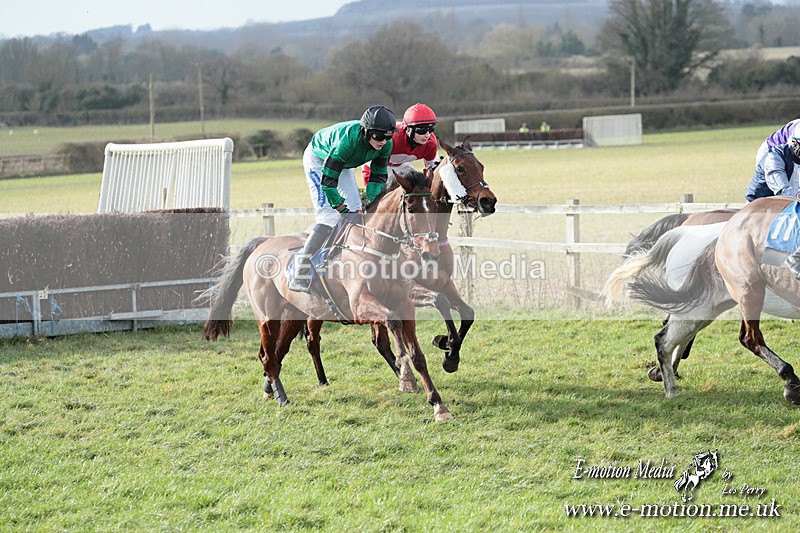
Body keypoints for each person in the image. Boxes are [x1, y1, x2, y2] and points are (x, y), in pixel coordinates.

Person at [288, 105, 397, 293]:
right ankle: (301, 270)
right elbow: (328, 183)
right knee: (329, 217)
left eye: (388, 136)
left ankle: (344, 260)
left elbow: (378, 177)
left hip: (344, 164)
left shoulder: (386, 144)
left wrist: (372, 203)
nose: (383, 141)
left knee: (357, 212)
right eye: (379, 136)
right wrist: (340, 208)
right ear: (366, 131)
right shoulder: (348, 141)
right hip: (318, 159)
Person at [745, 123, 800, 277]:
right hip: (762, 203)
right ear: (794, 143)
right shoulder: (774, 157)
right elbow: (784, 192)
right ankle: (786, 260)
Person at [362, 103, 439, 185]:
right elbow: (376, 168)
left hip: (400, 166)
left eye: (431, 129)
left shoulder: (431, 143)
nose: (427, 135)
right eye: (421, 130)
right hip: (375, 165)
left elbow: (432, 170)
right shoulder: (393, 138)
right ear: (408, 129)